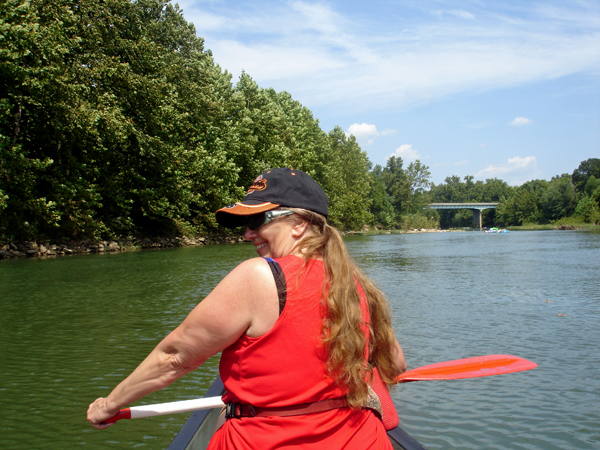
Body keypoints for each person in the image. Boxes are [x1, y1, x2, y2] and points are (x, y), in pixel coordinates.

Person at [87, 168, 406, 449]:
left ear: (297, 223)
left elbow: (175, 357)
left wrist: (109, 403)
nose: (247, 233)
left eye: (257, 220)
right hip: (363, 440)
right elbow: (395, 362)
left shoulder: (260, 276)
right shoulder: (356, 284)